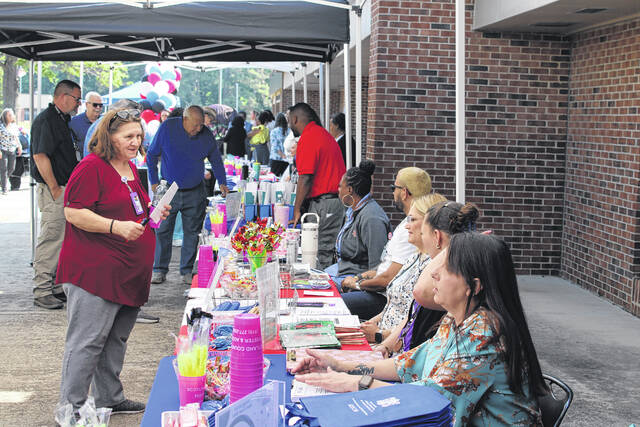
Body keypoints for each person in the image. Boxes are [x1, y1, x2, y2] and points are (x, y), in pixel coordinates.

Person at [292, 232, 547, 426]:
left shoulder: (483, 332)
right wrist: (337, 365)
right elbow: (406, 365)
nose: (434, 274)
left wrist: (354, 383)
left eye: (446, 268)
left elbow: (428, 400)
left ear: (474, 286)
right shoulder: (457, 319)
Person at [56, 108, 170, 416]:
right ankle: (71, 407)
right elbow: (73, 212)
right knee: (87, 342)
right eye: (128, 137)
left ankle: (109, 396)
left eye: (139, 136)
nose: (136, 142)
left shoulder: (130, 167)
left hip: (127, 272)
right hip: (96, 272)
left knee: (115, 340)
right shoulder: (91, 167)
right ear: (109, 137)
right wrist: (115, 226)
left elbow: (134, 210)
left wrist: (154, 212)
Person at [376, 201, 479, 357]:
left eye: (424, 234)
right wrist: (385, 346)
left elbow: (420, 292)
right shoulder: (465, 264)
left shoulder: (452, 275)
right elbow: (412, 317)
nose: (434, 274)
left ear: (437, 236)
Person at [147, 105, 229, 285]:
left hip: (195, 190)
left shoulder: (206, 134)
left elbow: (216, 159)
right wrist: (153, 181)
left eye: (201, 125)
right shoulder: (167, 128)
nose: (199, 129)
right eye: (196, 125)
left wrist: (222, 181)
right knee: (162, 230)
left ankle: (186, 270)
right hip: (169, 189)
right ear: (184, 119)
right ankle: (159, 269)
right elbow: (151, 155)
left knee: (192, 232)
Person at [340, 168, 432, 315]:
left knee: (334, 303)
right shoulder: (406, 224)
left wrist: (357, 284)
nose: (393, 192)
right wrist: (359, 278)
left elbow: (387, 278)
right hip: (378, 291)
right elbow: (384, 266)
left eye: (393, 188)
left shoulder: (410, 230)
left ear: (404, 192)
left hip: (383, 297)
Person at [358, 193, 446, 342]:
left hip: (392, 345)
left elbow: (416, 324)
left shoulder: (434, 269)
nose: (406, 225)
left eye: (412, 219)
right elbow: (395, 303)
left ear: (429, 224)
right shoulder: (414, 257)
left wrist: (380, 335)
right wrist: (373, 322)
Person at [30, 79, 82, 310]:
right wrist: (53, 187)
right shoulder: (47, 120)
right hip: (55, 189)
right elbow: (40, 156)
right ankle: (42, 289)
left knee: (63, 240)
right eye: (76, 99)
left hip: (64, 187)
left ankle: (55, 286)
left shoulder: (62, 119)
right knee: (51, 239)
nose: (78, 104)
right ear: (63, 97)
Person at [324, 160, 391, 304]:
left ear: (349, 190)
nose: (338, 190)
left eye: (340, 186)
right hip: (344, 271)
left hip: (358, 282)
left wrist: (354, 282)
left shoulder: (372, 218)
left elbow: (378, 267)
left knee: (321, 291)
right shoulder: (353, 211)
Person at [289, 102, 346, 269]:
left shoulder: (310, 136)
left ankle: (321, 291)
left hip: (327, 202)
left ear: (295, 118)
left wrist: (297, 208)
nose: (289, 124)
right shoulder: (319, 133)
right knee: (317, 250)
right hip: (327, 201)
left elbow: (305, 177)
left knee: (321, 252)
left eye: (289, 121)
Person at [70, 91, 102, 158]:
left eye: (100, 105)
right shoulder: (74, 122)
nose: (98, 108)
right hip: (81, 163)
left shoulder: (105, 122)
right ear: (87, 104)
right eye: (95, 105)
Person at [0, 108, 23, 194]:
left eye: (12, 114)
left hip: (12, 150)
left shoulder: (14, 126)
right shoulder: (1, 126)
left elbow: (16, 137)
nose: (11, 116)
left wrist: (19, 146)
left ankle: (2, 181)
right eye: (9, 115)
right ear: (5, 116)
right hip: (3, 150)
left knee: (12, 168)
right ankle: (4, 189)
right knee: (4, 169)